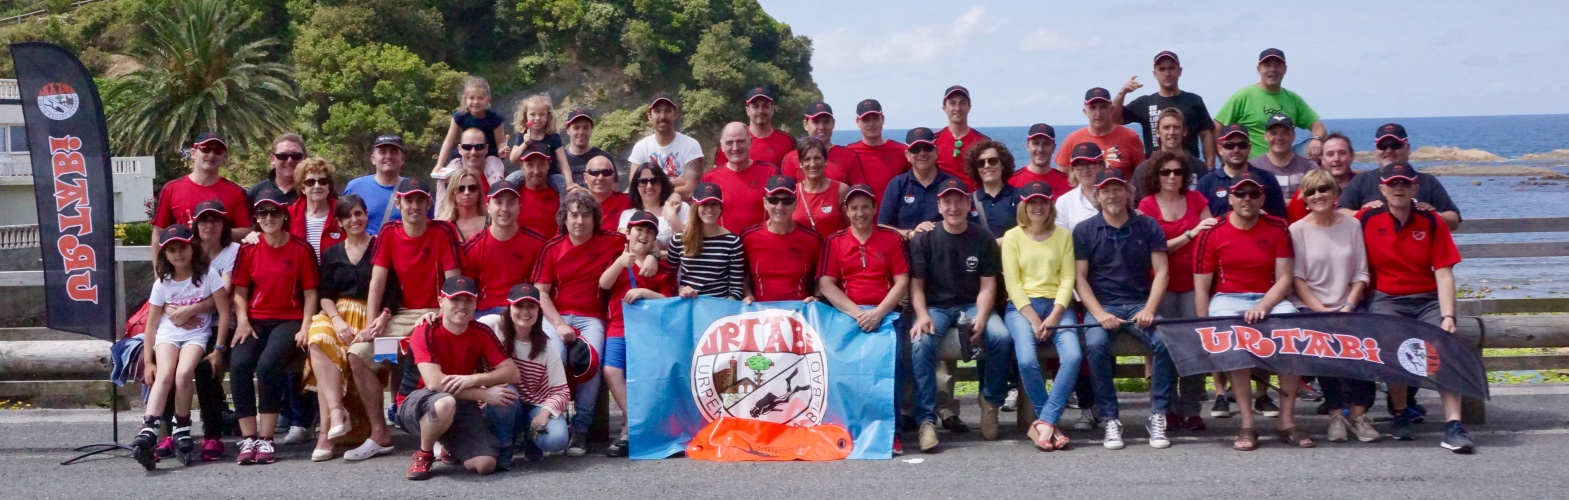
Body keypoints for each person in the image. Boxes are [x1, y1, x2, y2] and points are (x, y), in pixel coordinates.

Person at [1357, 162, 1472, 453]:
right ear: (1382, 188)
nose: (1399, 188)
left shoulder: (1431, 221)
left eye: (1405, 183)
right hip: (1385, 298)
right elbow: (1332, 224)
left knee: (1445, 343)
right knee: (1392, 340)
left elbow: (1444, 273)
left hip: (1426, 299)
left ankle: (1454, 425)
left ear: (1415, 188)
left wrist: (1448, 316)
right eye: (1393, 183)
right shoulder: (1366, 218)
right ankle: (1400, 412)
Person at [350, 178, 462, 458]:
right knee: (359, 353)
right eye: (408, 200)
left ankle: (437, 433)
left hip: (436, 312)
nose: (414, 206)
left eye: (420, 200)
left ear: (428, 204)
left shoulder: (442, 231)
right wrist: (370, 326)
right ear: (399, 203)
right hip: (400, 316)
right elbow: (377, 283)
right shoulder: (389, 232)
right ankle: (380, 433)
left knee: (431, 354)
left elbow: (453, 284)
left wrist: (442, 314)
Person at [1192, 171, 1301, 451]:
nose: (1247, 199)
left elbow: (1285, 278)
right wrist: (1205, 328)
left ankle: (1286, 420)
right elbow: (1201, 287)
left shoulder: (1278, 227)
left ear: (1263, 198)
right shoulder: (1212, 232)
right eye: (1240, 193)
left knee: (1293, 330)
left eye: (1253, 193)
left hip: (1269, 296)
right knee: (1233, 336)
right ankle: (1247, 422)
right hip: (1227, 297)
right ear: (1230, 198)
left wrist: (1264, 306)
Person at [1072, 168, 1175, 450]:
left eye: (1118, 189)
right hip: (1102, 305)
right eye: (1105, 190)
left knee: (1165, 342)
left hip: (1140, 303)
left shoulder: (1148, 226)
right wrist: (1100, 314)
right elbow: (1079, 278)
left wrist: (1150, 309)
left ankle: (1158, 415)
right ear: (1097, 196)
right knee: (1095, 346)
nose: (1112, 195)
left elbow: (1162, 272)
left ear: (1129, 193)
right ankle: (1110, 418)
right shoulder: (1084, 230)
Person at [907, 179, 1009, 450]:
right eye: (947, 202)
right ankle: (926, 420)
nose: (953, 207)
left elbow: (988, 285)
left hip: (971, 303)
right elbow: (916, 285)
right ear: (939, 206)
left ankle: (990, 401)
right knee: (920, 343)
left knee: (1001, 337)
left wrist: (982, 317)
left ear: (968, 204)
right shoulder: (924, 238)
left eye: (959, 201)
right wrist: (921, 315)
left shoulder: (983, 238)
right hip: (936, 307)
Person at [301, 194, 399, 462]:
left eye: (359, 213)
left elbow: (392, 291)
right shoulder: (331, 252)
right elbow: (325, 295)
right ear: (339, 222)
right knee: (319, 338)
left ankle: (326, 435)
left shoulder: (380, 245)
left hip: (372, 314)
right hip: (338, 314)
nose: (354, 220)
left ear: (366, 215)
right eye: (347, 216)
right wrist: (337, 320)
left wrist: (382, 317)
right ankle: (336, 412)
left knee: (348, 355)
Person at [531, 190, 627, 456]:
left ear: (595, 218)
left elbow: (642, 245)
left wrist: (652, 255)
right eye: (574, 215)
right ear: (565, 218)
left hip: (592, 318)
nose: (580, 221)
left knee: (592, 363)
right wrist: (559, 325)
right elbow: (540, 292)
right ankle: (553, 419)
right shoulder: (552, 247)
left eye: (586, 215)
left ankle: (581, 430)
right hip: (556, 316)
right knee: (555, 358)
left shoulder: (613, 241)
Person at [229, 186, 320, 465]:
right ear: (256, 218)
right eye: (262, 213)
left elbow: (311, 293)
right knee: (239, 364)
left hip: (289, 318)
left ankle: (267, 438)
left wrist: (306, 325)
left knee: (268, 365)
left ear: (284, 215)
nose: (268, 218)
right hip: (256, 319)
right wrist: (242, 321)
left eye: (274, 212)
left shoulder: (301, 249)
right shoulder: (249, 249)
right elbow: (240, 290)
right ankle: (249, 438)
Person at [816, 184, 911, 454]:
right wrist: (858, 314)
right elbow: (826, 284)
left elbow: (902, 281)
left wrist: (878, 313)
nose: (860, 213)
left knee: (891, 364)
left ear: (874, 208)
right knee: (836, 365)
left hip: (886, 314)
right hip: (848, 315)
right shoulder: (835, 241)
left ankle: (891, 432)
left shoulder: (891, 239)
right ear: (846, 211)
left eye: (865, 207)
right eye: (854, 208)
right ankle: (844, 427)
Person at [1288, 170, 1378, 443]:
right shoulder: (1297, 230)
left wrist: (1348, 305)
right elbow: (1297, 279)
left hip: (1349, 302)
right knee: (1323, 343)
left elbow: (1361, 273)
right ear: (1305, 198)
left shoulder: (1352, 225)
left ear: (1335, 193)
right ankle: (1336, 414)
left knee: (1365, 344)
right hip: (1312, 305)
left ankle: (1359, 414)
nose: (1318, 195)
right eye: (1311, 191)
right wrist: (1322, 311)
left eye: (1324, 189)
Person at [132, 224, 233, 469]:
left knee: (184, 373)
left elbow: (224, 311)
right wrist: (149, 361)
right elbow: (151, 324)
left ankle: (181, 426)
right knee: (165, 374)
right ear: (165, 255)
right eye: (172, 250)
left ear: (192, 247)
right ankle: (149, 427)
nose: (178, 254)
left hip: (196, 335)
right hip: (168, 335)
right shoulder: (162, 283)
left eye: (183, 248)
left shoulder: (208, 275)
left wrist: (219, 348)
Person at [399, 276, 519, 480]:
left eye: (468, 300)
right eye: (455, 299)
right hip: (417, 401)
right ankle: (424, 454)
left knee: (485, 465)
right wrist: (483, 394)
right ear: (441, 301)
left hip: (460, 400)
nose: (462, 306)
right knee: (445, 403)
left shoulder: (481, 331)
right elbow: (435, 383)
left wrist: (473, 380)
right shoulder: (425, 329)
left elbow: (512, 372)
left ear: (476, 303)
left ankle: (450, 445)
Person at [1136, 150, 1218, 431]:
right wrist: (1190, 234)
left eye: (1178, 171)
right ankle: (1167, 408)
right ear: (1156, 175)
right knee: (1167, 349)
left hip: (1195, 284)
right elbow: (1155, 247)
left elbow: (1213, 233)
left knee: (1193, 346)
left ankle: (1192, 408)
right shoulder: (1147, 205)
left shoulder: (1196, 199)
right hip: (1162, 286)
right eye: (1165, 172)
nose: (1172, 176)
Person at [998, 181, 1079, 451]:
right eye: (1032, 202)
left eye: (1043, 201)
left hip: (1059, 306)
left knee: (1073, 356)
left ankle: (1044, 423)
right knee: (1027, 360)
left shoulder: (1063, 235)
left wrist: (1055, 315)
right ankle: (1050, 424)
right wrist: (1033, 318)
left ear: (1050, 205)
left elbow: (1067, 279)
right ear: (1024, 206)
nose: (1038, 207)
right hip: (1021, 308)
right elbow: (1012, 283)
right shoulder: (1012, 237)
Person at [597, 213, 677, 456]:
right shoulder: (618, 259)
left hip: (649, 330)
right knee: (611, 370)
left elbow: (668, 300)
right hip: (619, 326)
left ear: (655, 238)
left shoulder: (660, 267)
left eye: (649, 231)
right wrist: (620, 263)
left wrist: (645, 292)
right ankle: (635, 420)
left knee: (647, 374)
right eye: (638, 230)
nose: (643, 235)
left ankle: (633, 429)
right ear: (628, 233)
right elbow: (603, 284)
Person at [486, 284, 573, 465]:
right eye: (519, 305)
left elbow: (562, 391)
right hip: (502, 402)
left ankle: (531, 437)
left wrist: (544, 414)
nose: (525, 312)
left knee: (556, 439)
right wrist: (432, 317)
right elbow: (461, 325)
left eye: (531, 306)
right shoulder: (492, 325)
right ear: (509, 306)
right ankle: (505, 444)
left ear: (538, 310)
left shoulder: (547, 346)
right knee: (506, 391)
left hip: (536, 405)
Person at [186, 200, 242, 462]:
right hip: (189, 325)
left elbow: (227, 292)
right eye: (204, 220)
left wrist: (191, 308)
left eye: (215, 220)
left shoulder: (233, 251)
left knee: (206, 367)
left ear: (224, 225)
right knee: (165, 361)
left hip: (221, 323)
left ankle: (212, 435)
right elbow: (169, 287)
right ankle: (168, 431)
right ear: (195, 225)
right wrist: (180, 312)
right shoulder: (186, 249)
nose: (209, 225)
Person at [1338, 123, 1462, 230]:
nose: (1388, 150)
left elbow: (1454, 219)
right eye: (1382, 145)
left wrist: (1433, 216)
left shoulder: (1428, 181)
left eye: (1395, 145)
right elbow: (1340, 213)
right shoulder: (1361, 180)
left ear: (1407, 148)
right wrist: (1364, 213)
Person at [1213, 48, 1328, 160]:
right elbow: (1216, 129)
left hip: (1285, 162)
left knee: (1327, 144)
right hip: (1252, 166)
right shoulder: (1243, 96)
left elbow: (1319, 128)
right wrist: (1224, 162)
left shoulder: (1293, 99)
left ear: (1285, 69)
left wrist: (1316, 139)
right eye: (1267, 65)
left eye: (1278, 65)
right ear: (1259, 69)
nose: (1273, 69)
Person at [463, 180, 547, 331]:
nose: (505, 208)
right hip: (484, 312)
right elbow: (467, 291)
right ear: (488, 207)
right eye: (499, 202)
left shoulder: (538, 243)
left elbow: (543, 288)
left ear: (519, 207)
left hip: (522, 311)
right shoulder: (473, 246)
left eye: (511, 203)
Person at [1112, 51, 1217, 169]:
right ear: (1155, 74)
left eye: (1171, 68)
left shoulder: (1194, 101)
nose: (1167, 73)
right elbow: (1114, 120)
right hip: (1155, 170)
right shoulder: (1145, 103)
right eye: (1162, 69)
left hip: (1189, 168)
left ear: (1179, 71)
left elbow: (1206, 135)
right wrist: (1122, 93)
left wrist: (1210, 167)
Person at [151, 132, 251, 247]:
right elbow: (158, 233)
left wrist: (214, 231)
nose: (211, 155)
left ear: (223, 157)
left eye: (218, 151)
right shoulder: (171, 189)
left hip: (221, 257)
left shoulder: (236, 192)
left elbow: (247, 231)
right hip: (184, 257)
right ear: (193, 153)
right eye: (205, 149)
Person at [741, 176, 824, 302]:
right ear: (765, 203)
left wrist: (817, 298)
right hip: (761, 310)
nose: (780, 207)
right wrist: (747, 295)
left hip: (800, 310)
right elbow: (741, 274)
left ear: (795, 204)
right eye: (773, 200)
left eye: (787, 201)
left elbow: (822, 277)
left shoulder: (812, 239)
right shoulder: (748, 237)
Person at [877, 127, 964, 239]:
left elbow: (965, 223)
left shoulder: (953, 185)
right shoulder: (896, 185)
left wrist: (938, 230)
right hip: (906, 249)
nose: (922, 153)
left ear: (936, 152)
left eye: (927, 148)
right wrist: (911, 234)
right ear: (907, 155)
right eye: (915, 149)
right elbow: (883, 226)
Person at [669, 182, 746, 300]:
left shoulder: (733, 242)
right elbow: (669, 278)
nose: (709, 209)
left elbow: (736, 288)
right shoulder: (679, 239)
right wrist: (681, 289)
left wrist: (727, 305)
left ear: (720, 207)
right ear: (696, 207)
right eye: (704, 204)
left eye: (714, 204)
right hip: (688, 303)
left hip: (720, 304)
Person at [1195, 124, 1288, 218]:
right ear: (1220, 149)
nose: (1236, 150)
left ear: (1249, 148)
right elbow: (1199, 220)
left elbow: (1280, 218)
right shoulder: (1206, 183)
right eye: (1229, 146)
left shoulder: (1267, 179)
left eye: (1242, 145)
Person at [434, 77, 507, 190]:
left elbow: (501, 141)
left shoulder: (494, 119)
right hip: (464, 155)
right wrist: (439, 164)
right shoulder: (460, 116)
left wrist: (502, 150)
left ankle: (496, 199)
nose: (475, 102)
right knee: (443, 177)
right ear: (465, 99)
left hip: (490, 155)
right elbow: (448, 142)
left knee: (496, 177)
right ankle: (442, 202)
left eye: (480, 98)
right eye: (471, 98)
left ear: (488, 99)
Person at [703, 122, 778, 232]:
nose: (735, 148)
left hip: (759, 241)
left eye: (740, 141)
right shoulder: (710, 178)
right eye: (729, 143)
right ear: (722, 147)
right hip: (725, 242)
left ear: (750, 142)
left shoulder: (770, 172)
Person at [628, 92, 705, 196]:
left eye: (668, 111)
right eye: (657, 111)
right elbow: (635, 189)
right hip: (650, 207)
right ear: (649, 116)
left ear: (675, 114)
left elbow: (691, 190)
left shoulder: (690, 145)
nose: (663, 116)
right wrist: (674, 183)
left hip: (683, 206)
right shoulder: (641, 148)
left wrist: (653, 189)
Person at [1055, 88, 1146, 176]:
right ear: (1085, 112)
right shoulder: (1073, 139)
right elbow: (1061, 177)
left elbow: (1142, 175)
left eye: (1103, 107)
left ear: (1111, 110)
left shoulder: (1130, 137)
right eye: (1093, 108)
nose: (1098, 113)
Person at [1129, 108, 1209, 201]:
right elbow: (1134, 203)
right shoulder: (1143, 170)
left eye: (1176, 127)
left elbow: (1206, 201)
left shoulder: (1199, 168)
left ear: (1184, 131)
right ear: (1157, 132)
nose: (1171, 132)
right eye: (1166, 127)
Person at [781, 102, 864, 185]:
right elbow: (787, 191)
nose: (821, 127)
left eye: (826, 122)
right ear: (805, 124)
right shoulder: (791, 158)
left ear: (833, 123)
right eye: (816, 122)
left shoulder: (849, 156)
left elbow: (858, 190)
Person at [343, 135, 410, 236]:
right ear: (373, 159)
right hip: (365, 246)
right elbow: (343, 223)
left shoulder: (414, 189)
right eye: (382, 152)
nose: (388, 156)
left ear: (402, 159)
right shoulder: (354, 187)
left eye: (393, 152)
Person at [845, 99, 910, 203]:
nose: (871, 124)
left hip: (895, 213)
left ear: (883, 119)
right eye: (866, 120)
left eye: (875, 119)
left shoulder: (902, 151)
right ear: (857, 122)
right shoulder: (848, 153)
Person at [1286, 132, 1357, 223]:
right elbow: (1292, 225)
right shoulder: (1308, 189)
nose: (1336, 159)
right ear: (1322, 159)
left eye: (1342, 153)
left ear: (1352, 156)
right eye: (1330, 154)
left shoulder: (1364, 184)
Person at [714, 87, 796, 166]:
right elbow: (719, 172)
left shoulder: (787, 141)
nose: (760, 111)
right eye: (755, 106)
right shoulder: (732, 141)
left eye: (765, 106)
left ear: (772, 110)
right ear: (747, 110)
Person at [506, 94, 570, 190]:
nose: (537, 118)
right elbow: (512, 159)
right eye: (533, 114)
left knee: (561, 182)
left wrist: (569, 182)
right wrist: (525, 144)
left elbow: (563, 163)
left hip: (551, 175)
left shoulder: (553, 137)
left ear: (548, 116)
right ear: (526, 116)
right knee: (512, 178)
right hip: (528, 175)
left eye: (542, 114)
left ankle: (565, 200)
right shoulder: (521, 136)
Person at [620, 163, 689, 253]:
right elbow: (632, 250)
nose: (649, 186)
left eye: (655, 181)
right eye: (643, 181)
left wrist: (672, 217)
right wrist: (659, 254)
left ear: (662, 184)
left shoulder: (681, 207)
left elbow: (691, 244)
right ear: (636, 186)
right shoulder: (628, 216)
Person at [1249, 114, 1317, 200]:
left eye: (1285, 133)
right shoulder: (1252, 167)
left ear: (1293, 136)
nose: (1279, 138)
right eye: (1273, 133)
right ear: (1266, 136)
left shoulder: (1309, 167)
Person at [793, 137, 851, 236]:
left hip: (833, 246)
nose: (812, 164)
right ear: (801, 163)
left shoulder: (841, 190)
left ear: (825, 160)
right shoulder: (793, 192)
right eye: (807, 159)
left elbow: (850, 229)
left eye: (817, 158)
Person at [934, 85, 989, 189]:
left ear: (969, 107)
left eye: (962, 103)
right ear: (944, 108)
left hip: (973, 198)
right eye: (952, 103)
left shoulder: (983, 142)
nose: (958, 108)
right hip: (943, 197)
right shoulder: (934, 141)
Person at [433, 128, 501, 211]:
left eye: (479, 147)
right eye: (467, 147)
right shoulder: (447, 180)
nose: (473, 152)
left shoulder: (500, 180)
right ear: (459, 149)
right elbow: (441, 213)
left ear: (486, 149)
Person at [288, 158, 343, 258]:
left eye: (322, 181)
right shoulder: (288, 215)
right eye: (310, 182)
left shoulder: (343, 212)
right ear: (302, 188)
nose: (317, 186)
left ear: (328, 187)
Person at [505, 142, 563, 237]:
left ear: (549, 165)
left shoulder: (562, 197)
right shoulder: (512, 198)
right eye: (530, 165)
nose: (536, 171)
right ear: (521, 166)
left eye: (541, 164)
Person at [966, 140, 1019, 238]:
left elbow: (1027, 231)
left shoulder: (1018, 197)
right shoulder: (969, 202)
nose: (987, 166)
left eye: (992, 161)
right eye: (981, 163)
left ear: (1002, 164)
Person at [553, 108, 612, 189]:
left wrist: (583, 192)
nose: (581, 132)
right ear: (568, 130)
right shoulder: (558, 161)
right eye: (576, 128)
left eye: (586, 128)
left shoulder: (604, 159)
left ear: (591, 130)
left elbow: (613, 192)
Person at [1054, 143, 1108, 231]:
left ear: (1102, 165)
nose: (1085, 170)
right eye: (1079, 166)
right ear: (1073, 169)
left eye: (1090, 164)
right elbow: (1060, 236)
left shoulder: (1115, 196)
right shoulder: (1064, 202)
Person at [1008, 124, 1071, 196]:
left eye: (1046, 144)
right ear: (1027, 146)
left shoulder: (1068, 183)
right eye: (1036, 143)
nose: (1040, 149)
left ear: (1053, 147)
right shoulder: (1011, 181)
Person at [248, 133, 307, 205]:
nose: (289, 161)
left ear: (305, 158)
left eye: (296, 156)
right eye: (282, 156)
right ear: (272, 159)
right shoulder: (255, 193)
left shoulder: (315, 190)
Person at [584, 156, 633, 231]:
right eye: (594, 172)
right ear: (585, 177)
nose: (600, 177)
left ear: (613, 177)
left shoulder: (628, 202)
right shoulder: (575, 205)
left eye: (606, 173)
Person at [437, 169, 487, 243]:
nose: (467, 192)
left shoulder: (492, 223)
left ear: (479, 192)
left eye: (472, 188)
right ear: (452, 193)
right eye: (460, 189)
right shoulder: (443, 226)